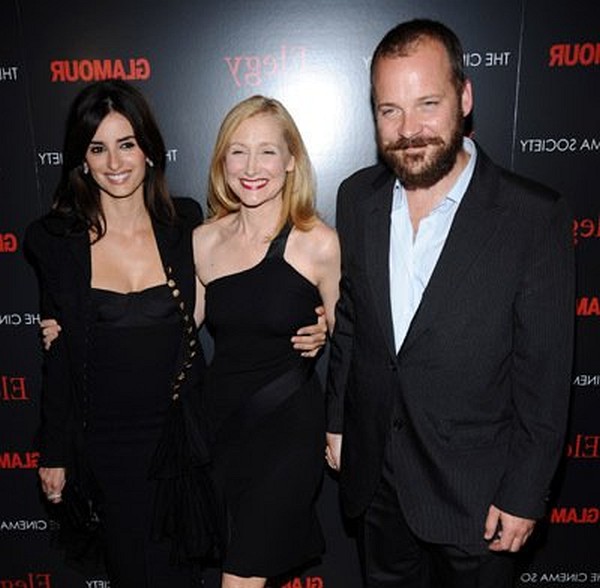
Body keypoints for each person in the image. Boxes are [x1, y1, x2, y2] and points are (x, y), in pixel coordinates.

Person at [28, 81, 327, 587]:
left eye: (127, 144)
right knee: (129, 570)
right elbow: (57, 357)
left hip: (181, 440)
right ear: (82, 159)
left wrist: (311, 322)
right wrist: (53, 450)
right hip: (105, 444)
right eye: (97, 148)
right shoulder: (56, 242)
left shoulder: (182, 225)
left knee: (182, 574)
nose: (115, 161)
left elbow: (244, 296)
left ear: (148, 150)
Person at [325, 18, 575, 588]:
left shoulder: (532, 217)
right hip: (379, 487)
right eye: (389, 110)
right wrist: (338, 421)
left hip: (478, 498)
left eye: (427, 103)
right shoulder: (357, 198)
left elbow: (545, 374)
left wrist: (524, 492)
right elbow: (352, 321)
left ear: (465, 97)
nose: (408, 129)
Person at [192, 95, 340, 588]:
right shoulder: (203, 240)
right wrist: (76, 323)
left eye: (267, 152)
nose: (251, 167)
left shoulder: (317, 241)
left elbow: (352, 344)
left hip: (286, 432)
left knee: (240, 579)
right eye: (238, 152)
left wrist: (339, 427)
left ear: (291, 159)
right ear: (221, 161)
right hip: (220, 429)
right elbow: (175, 326)